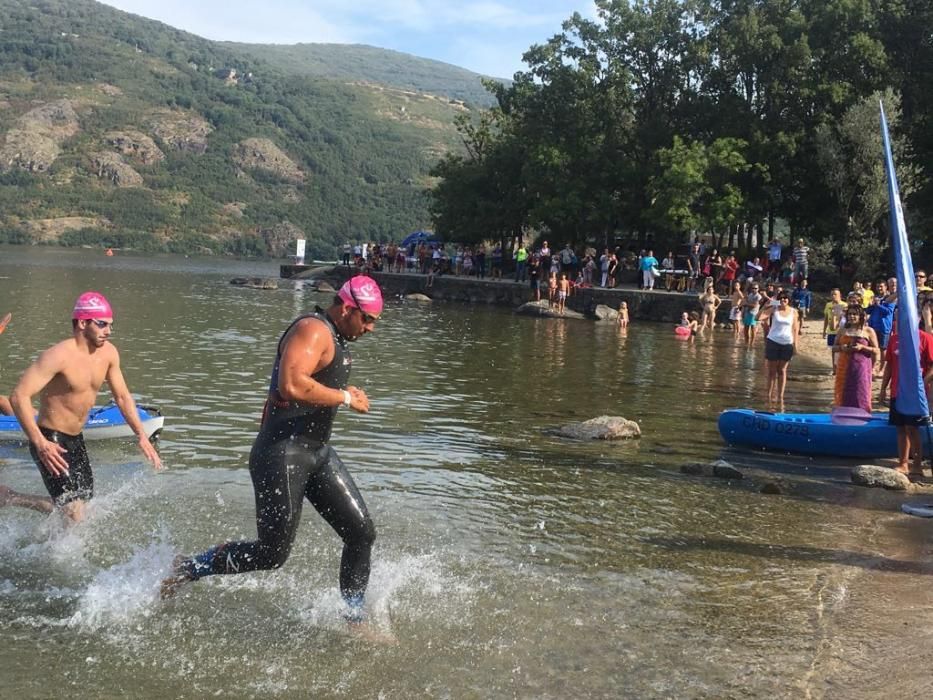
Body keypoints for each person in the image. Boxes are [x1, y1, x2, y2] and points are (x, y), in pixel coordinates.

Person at [162, 276, 384, 628]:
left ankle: (353, 619)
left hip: (317, 453)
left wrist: (339, 390)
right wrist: (344, 397)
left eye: (375, 321)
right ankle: (189, 567)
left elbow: (302, 386)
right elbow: (292, 383)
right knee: (272, 553)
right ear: (346, 308)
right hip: (283, 454)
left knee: (361, 533)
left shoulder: (336, 337)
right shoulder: (314, 330)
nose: (371, 328)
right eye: (367, 319)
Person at [0, 292, 162, 522]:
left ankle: (22, 513)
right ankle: (12, 499)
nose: (108, 331)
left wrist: (141, 435)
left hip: (76, 439)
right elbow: (19, 396)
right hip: (50, 439)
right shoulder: (57, 356)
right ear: (83, 323)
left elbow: (123, 397)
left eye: (110, 325)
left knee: (84, 508)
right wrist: (39, 442)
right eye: (102, 324)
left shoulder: (109, 354)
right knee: (74, 511)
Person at [879, 321, 933, 477]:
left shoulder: (925, 338)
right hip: (897, 390)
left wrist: (923, 382)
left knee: (912, 428)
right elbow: (889, 365)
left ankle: (917, 465)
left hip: (915, 393)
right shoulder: (894, 339)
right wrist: (883, 388)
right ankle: (903, 463)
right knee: (901, 428)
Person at [832, 305, 880, 413]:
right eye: (849, 314)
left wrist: (862, 347)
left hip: (861, 367)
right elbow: (834, 348)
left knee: (860, 391)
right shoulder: (842, 330)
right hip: (844, 367)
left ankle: (863, 414)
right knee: (845, 392)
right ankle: (844, 415)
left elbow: (877, 351)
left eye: (854, 314)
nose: (851, 316)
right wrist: (841, 348)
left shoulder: (868, 331)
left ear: (861, 316)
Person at [758, 291, 801, 411]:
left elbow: (795, 329)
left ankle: (780, 397)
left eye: (785, 298)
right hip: (773, 341)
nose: (783, 300)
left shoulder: (794, 312)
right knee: (772, 371)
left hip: (787, 343)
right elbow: (758, 318)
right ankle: (768, 396)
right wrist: (765, 307)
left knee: (782, 370)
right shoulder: (774, 309)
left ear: (789, 299)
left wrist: (796, 346)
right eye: (781, 298)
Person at [867, 280, 895, 377]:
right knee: (873, 348)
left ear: (886, 287)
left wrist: (878, 305)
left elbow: (888, 312)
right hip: (873, 327)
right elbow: (868, 311)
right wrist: (871, 305)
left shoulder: (890, 298)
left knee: (883, 349)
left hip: (884, 328)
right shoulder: (875, 298)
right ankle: (871, 368)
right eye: (878, 286)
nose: (879, 288)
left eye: (881, 286)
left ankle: (882, 369)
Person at [823, 288, 846, 373]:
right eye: (832, 294)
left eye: (835, 294)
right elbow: (826, 318)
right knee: (833, 350)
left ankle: (841, 367)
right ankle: (834, 368)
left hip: (841, 332)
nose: (833, 296)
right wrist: (824, 330)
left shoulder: (845, 305)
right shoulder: (828, 305)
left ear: (840, 295)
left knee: (841, 350)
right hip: (831, 331)